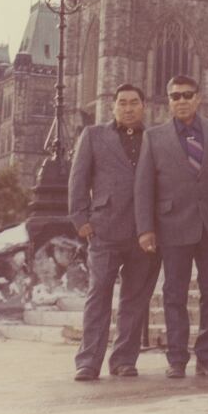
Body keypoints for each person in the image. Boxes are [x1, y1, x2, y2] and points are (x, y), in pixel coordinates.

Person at [134, 75, 208, 379]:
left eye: (187, 95)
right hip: (173, 226)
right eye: (175, 96)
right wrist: (145, 228)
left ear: (199, 98)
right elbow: (144, 187)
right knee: (174, 294)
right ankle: (177, 359)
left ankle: (207, 357)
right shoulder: (154, 138)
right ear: (168, 101)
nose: (181, 101)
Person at [68, 84, 160, 381]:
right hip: (105, 228)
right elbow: (78, 179)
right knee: (98, 296)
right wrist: (80, 218)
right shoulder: (94, 135)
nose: (129, 108)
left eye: (134, 102)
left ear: (143, 106)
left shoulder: (155, 138)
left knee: (134, 299)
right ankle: (88, 361)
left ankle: (123, 359)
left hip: (144, 232)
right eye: (123, 103)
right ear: (113, 106)